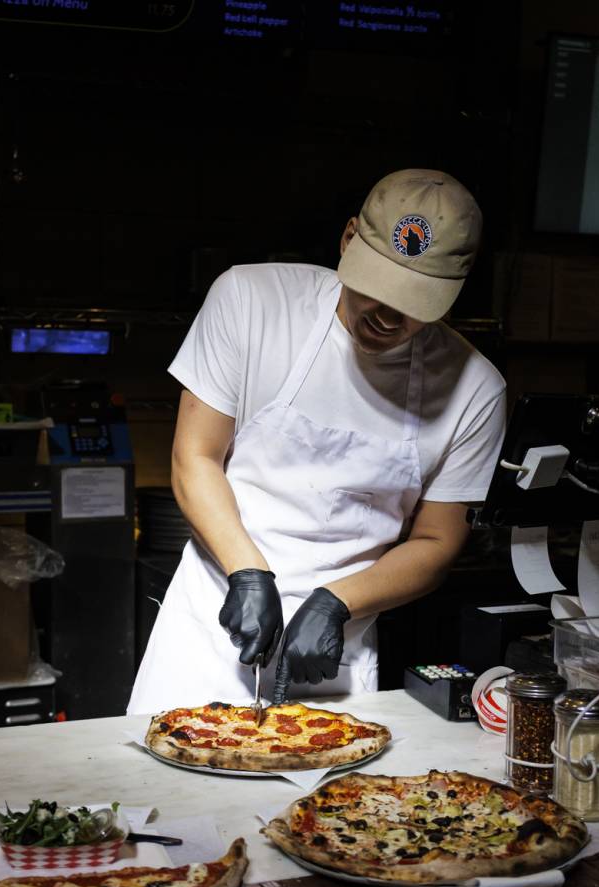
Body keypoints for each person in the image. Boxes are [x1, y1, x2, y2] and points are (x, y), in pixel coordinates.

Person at [126, 169, 506, 715]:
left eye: (414, 301)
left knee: (325, 800)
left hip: (335, 646)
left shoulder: (475, 389)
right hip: (209, 622)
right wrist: (247, 572)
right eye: (375, 286)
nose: (387, 314)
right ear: (349, 239)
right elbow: (195, 457)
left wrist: (338, 603)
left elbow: (437, 544)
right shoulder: (252, 301)